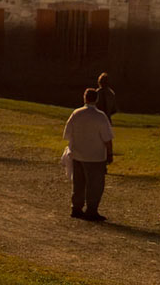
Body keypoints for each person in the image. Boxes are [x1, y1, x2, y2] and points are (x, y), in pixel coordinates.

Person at [62, 86, 114, 222]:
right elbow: (107, 138)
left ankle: (76, 208)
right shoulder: (100, 117)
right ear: (96, 100)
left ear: (84, 98)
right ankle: (91, 210)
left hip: (78, 154)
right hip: (95, 156)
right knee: (95, 185)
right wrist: (110, 154)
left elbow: (67, 134)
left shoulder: (76, 113)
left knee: (78, 183)